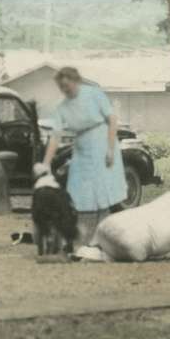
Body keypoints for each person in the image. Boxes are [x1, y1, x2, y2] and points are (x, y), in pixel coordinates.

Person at [42, 67, 127, 246]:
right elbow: (55, 136)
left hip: (102, 141)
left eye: (69, 85)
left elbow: (112, 120)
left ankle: (105, 238)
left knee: (102, 193)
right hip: (81, 147)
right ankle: (83, 238)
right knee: (79, 192)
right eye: (62, 87)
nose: (66, 89)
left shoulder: (94, 94)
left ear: (76, 81)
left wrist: (110, 149)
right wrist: (46, 163)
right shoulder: (61, 106)